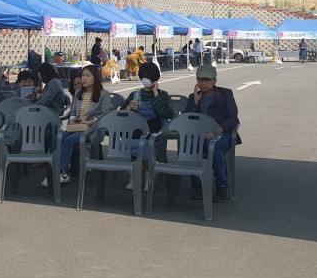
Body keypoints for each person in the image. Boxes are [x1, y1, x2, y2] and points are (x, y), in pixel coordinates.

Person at [44, 65, 112, 188]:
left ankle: (61, 173)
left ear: (95, 78)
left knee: (69, 140)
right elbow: (74, 112)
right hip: (77, 127)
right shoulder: (78, 93)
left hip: (93, 129)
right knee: (56, 139)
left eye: (87, 76)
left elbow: (106, 114)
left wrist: (89, 122)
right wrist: (73, 120)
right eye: (83, 75)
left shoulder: (104, 94)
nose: (84, 78)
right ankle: (54, 171)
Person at [184, 64, 239, 203]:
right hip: (200, 135)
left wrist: (217, 130)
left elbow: (233, 118)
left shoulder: (225, 94)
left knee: (213, 146)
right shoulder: (193, 97)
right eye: (200, 80)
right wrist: (195, 103)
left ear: (215, 80)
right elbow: (186, 119)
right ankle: (197, 184)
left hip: (222, 133)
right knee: (190, 145)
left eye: (207, 80)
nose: (203, 83)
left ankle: (222, 184)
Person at [121, 61, 175, 191]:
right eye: (144, 77)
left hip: (155, 132)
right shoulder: (135, 94)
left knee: (143, 142)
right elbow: (121, 113)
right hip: (137, 131)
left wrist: (156, 94)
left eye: (149, 78)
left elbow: (166, 113)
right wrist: (129, 108)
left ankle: (147, 175)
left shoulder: (162, 94)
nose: (146, 80)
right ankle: (137, 174)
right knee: (132, 141)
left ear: (155, 79)